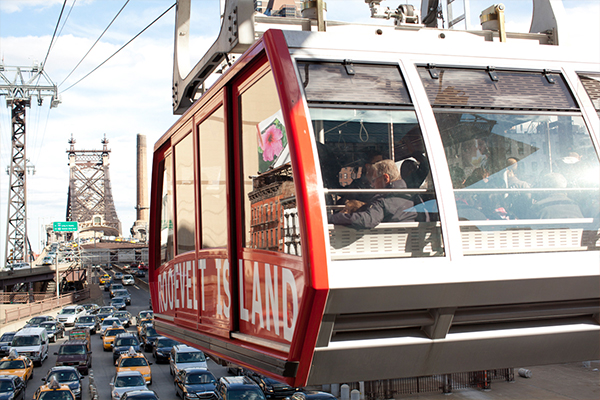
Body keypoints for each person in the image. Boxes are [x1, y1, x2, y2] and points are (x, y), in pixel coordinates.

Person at [329, 159, 416, 229]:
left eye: (374, 180)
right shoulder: (412, 196)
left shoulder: (384, 200)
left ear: (386, 178)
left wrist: (331, 218)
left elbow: (367, 220)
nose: (372, 184)